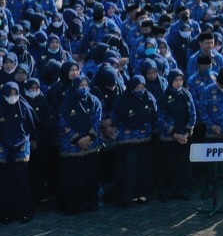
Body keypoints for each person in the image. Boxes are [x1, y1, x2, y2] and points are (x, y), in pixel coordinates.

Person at [0, 81, 38, 223]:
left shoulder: (24, 107)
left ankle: (26, 211)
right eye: (10, 94)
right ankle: (5, 212)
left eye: (15, 93)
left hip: (20, 145)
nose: (13, 97)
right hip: (1, 145)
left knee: (21, 180)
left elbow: (31, 125)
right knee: (4, 181)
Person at [56, 76, 102, 214]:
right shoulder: (67, 103)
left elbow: (97, 120)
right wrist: (77, 139)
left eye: (86, 85)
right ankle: (73, 206)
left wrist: (89, 137)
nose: (84, 88)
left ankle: (90, 203)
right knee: (73, 178)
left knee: (90, 176)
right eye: (81, 86)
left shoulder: (95, 101)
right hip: (72, 147)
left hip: (91, 145)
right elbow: (64, 123)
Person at [110, 75, 156, 205]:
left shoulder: (149, 98)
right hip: (127, 142)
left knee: (143, 168)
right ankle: (127, 195)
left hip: (144, 139)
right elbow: (115, 118)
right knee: (128, 169)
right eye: (137, 88)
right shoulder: (122, 100)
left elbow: (154, 115)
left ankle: (143, 193)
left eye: (142, 87)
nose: (140, 90)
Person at [156, 69, 195, 201]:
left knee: (184, 165)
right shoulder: (164, 97)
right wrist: (173, 133)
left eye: (181, 80)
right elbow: (160, 119)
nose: (179, 83)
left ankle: (183, 190)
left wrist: (187, 132)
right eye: (176, 80)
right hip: (169, 138)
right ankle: (168, 191)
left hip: (184, 137)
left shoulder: (186, 94)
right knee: (169, 166)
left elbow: (192, 114)